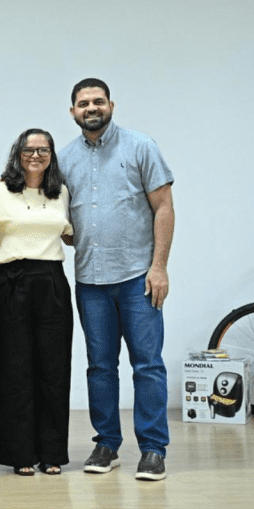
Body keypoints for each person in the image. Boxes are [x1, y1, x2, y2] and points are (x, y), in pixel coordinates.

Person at [61, 78, 175, 482]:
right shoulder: (64, 158)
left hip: (137, 278)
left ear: (111, 105)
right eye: (83, 103)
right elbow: (61, 220)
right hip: (90, 280)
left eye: (98, 101)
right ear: (72, 112)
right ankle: (107, 443)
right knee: (100, 367)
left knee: (147, 365)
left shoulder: (141, 146)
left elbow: (164, 207)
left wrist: (159, 267)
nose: (91, 108)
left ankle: (153, 449)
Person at [0, 129, 73, 476]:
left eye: (43, 150)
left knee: (54, 368)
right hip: (12, 280)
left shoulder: (61, 192)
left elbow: (72, 234)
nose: (36, 155)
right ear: (17, 153)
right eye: (29, 149)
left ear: (51, 155)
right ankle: (20, 453)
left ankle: (52, 453)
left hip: (51, 281)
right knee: (13, 368)